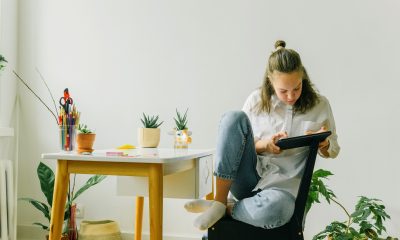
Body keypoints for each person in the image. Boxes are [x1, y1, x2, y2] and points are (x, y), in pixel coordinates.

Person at [184, 40, 340, 231]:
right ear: (270, 81)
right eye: (283, 91)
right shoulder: (256, 100)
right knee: (233, 118)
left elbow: (333, 149)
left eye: (297, 88)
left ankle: (225, 208)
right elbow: (239, 145)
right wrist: (265, 145)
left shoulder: (320, 105)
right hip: (250, 178)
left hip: (283, 190)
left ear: (303, 78)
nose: (291, 96)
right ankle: (219, 200)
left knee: (279, 209)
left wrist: (323, 144)